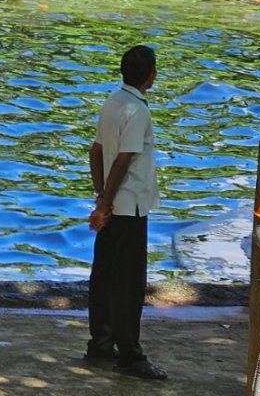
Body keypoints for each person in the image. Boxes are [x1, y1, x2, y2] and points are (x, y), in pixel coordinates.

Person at [85, 44, 169, 381]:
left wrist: (100, 196)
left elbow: (96, 153)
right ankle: (130, 355)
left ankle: (101, 341)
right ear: (151, 75)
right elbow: (123, 160)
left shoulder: (112, 102)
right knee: (129, 284)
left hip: (113, 204)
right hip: (130, 206)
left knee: (104, 275)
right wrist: (106, 203)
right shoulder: (138, 111)